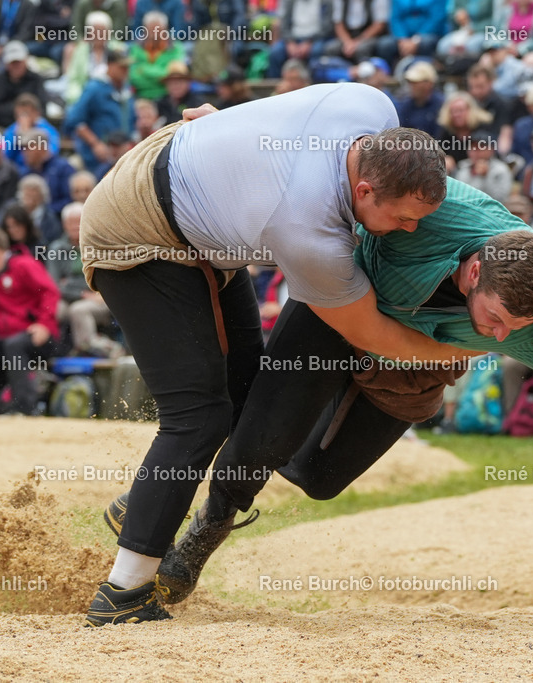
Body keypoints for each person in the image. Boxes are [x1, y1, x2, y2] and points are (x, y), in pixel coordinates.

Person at [128, 177, 533, 613]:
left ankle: (232, 447)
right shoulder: (429, 207)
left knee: (318, 478)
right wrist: (237, 141)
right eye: (495, 318)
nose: (499, 338)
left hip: (413, 364)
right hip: (342, 308)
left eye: (518, 328)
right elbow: (338, 169)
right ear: (474, 272)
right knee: (264, 438)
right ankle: (202, 525)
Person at [80, 83, 456, 625]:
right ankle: (123, 594)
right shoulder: (309, 231)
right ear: (366, 189)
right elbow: (375, 337)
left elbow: (277, 119)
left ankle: (139, 508)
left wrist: (227, 138)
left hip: (196, 200)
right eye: (403, 219)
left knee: (246, 394)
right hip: (135, 229)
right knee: (199, 417)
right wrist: (454, 347)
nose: (411, 229)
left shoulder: (373, 106)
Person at [0, 227, 59, 415]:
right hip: (8, 338)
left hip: (38, 336)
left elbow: (50, 292)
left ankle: (25, 409)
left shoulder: (24, 264)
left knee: (14, 346)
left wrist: (44, 324)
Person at [47, 202, 122, 357]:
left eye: (79, 221)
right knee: (53, 309)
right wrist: (81, 293)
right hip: (73, 297)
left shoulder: (99, 244)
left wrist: (69, 284)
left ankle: (90, 353)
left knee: (78, 310)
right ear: (64, 225)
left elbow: (106, 278)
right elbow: (53, 285)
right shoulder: (56, 249)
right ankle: (52, 353)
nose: (75, 226)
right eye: (71, 222)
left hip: (99, 297)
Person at [62, 47, 135, 171]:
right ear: (110, 65)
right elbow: (74, 120)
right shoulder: (95, 88)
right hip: (97, 160)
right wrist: (96, 144)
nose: (126, 71)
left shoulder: (126, 90)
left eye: (127, 67)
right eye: (122, 67)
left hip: (122, 158)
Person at [0, 41, 48, 129]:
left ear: (25, 61)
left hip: (31, 127)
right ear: (6, 64)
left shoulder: (36, 80)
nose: (16, 66)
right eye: (13, 63)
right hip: (1, 126)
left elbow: (42, 106)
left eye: (19, 62)